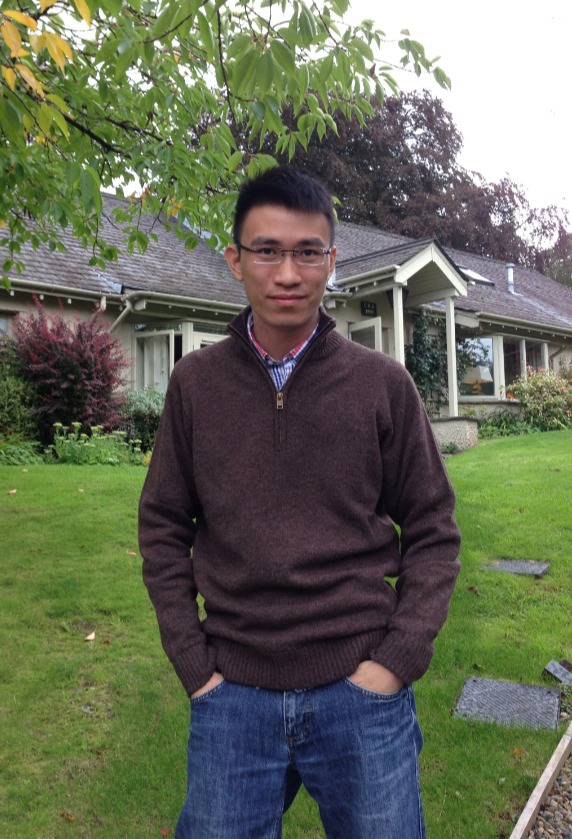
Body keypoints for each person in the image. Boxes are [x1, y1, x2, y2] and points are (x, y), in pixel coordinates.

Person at [139, 166, 461, 839]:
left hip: (361, 694)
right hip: (232, 695)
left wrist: (397, 658)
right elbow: (163, 526)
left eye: (307, 252)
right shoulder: (196, 385)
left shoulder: (382, 385)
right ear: (235, 260)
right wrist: (194, 664)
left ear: (332, 262)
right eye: (267, 250)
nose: (288, 273)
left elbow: (433, 527)